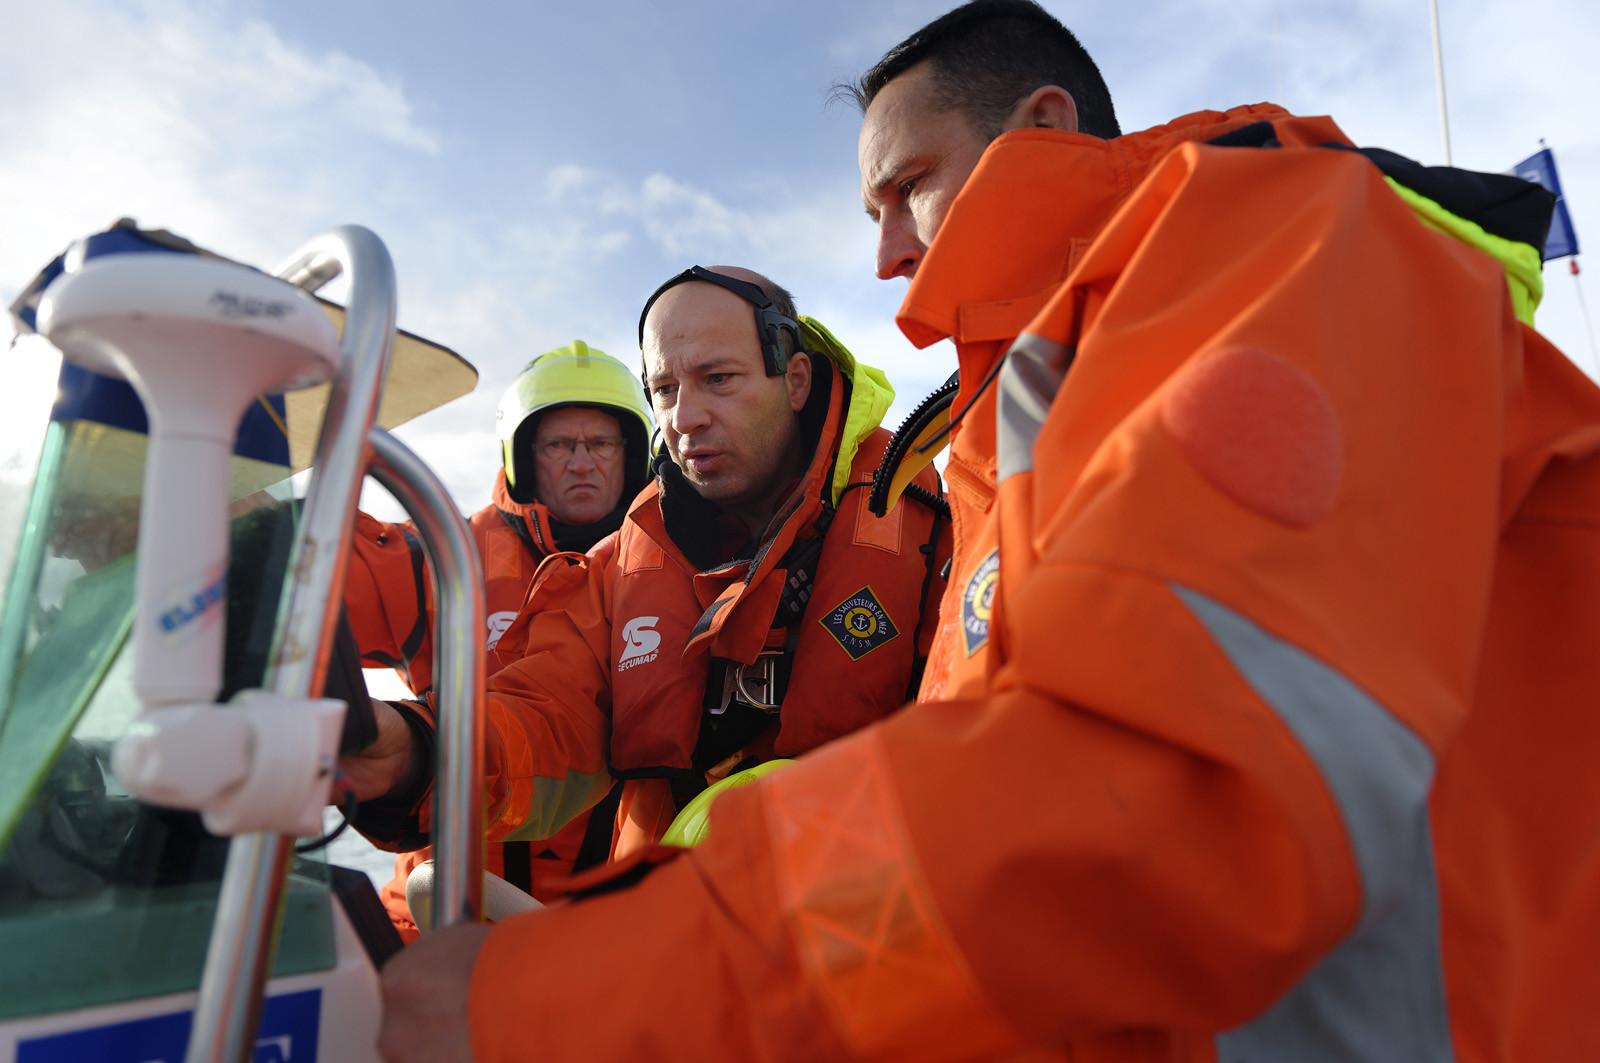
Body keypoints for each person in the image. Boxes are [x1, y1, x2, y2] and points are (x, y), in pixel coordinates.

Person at [378, 3, 1600, 1060]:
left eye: (907, 186)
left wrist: (577, 995)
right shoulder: (1012, 422)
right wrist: (409, 762)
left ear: (1047, 129)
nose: (887, 256)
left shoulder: (1284, 258)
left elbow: (1152, 799)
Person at [345, 265, 948, 928]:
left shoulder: (931, 525)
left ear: (795, 380)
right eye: (664, 388)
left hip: (885, 943)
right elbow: (547, 712)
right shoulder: (617, 572)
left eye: (719, 379)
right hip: (660, 956)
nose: (685, 418)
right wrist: (409, 750)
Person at [343, 340, 653, 939]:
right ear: (523, 456)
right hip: (436, 906)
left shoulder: (670, 574)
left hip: (607, 921)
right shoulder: (442, 556)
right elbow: (313, 580)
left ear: (635, 452)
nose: (582, 462)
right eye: (559, 444)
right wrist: (255, 519)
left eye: (602, 444)